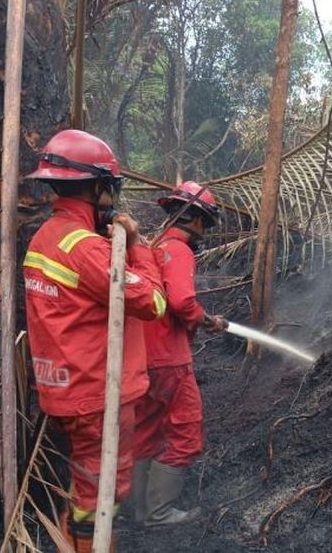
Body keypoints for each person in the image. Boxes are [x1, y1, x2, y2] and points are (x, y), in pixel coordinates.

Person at [22, 129, 167, 552]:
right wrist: (137, 248)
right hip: (97, 396)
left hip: (65, 388)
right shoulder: (86, 249)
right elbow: (154, 302)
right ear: (98, 187)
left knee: (85, 482)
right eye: (109, 188)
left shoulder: (47, 237)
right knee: (102, 495)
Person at [131, 181, 228, 526]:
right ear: (198, 220)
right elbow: (181, 301)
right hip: (169, 359)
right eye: (206, 224)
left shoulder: (152, 248)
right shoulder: (179, 249)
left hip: (143, 356)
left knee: (145, 431)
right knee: (186, 431)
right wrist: (208, 320)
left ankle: (137, 508)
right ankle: (158, 512)